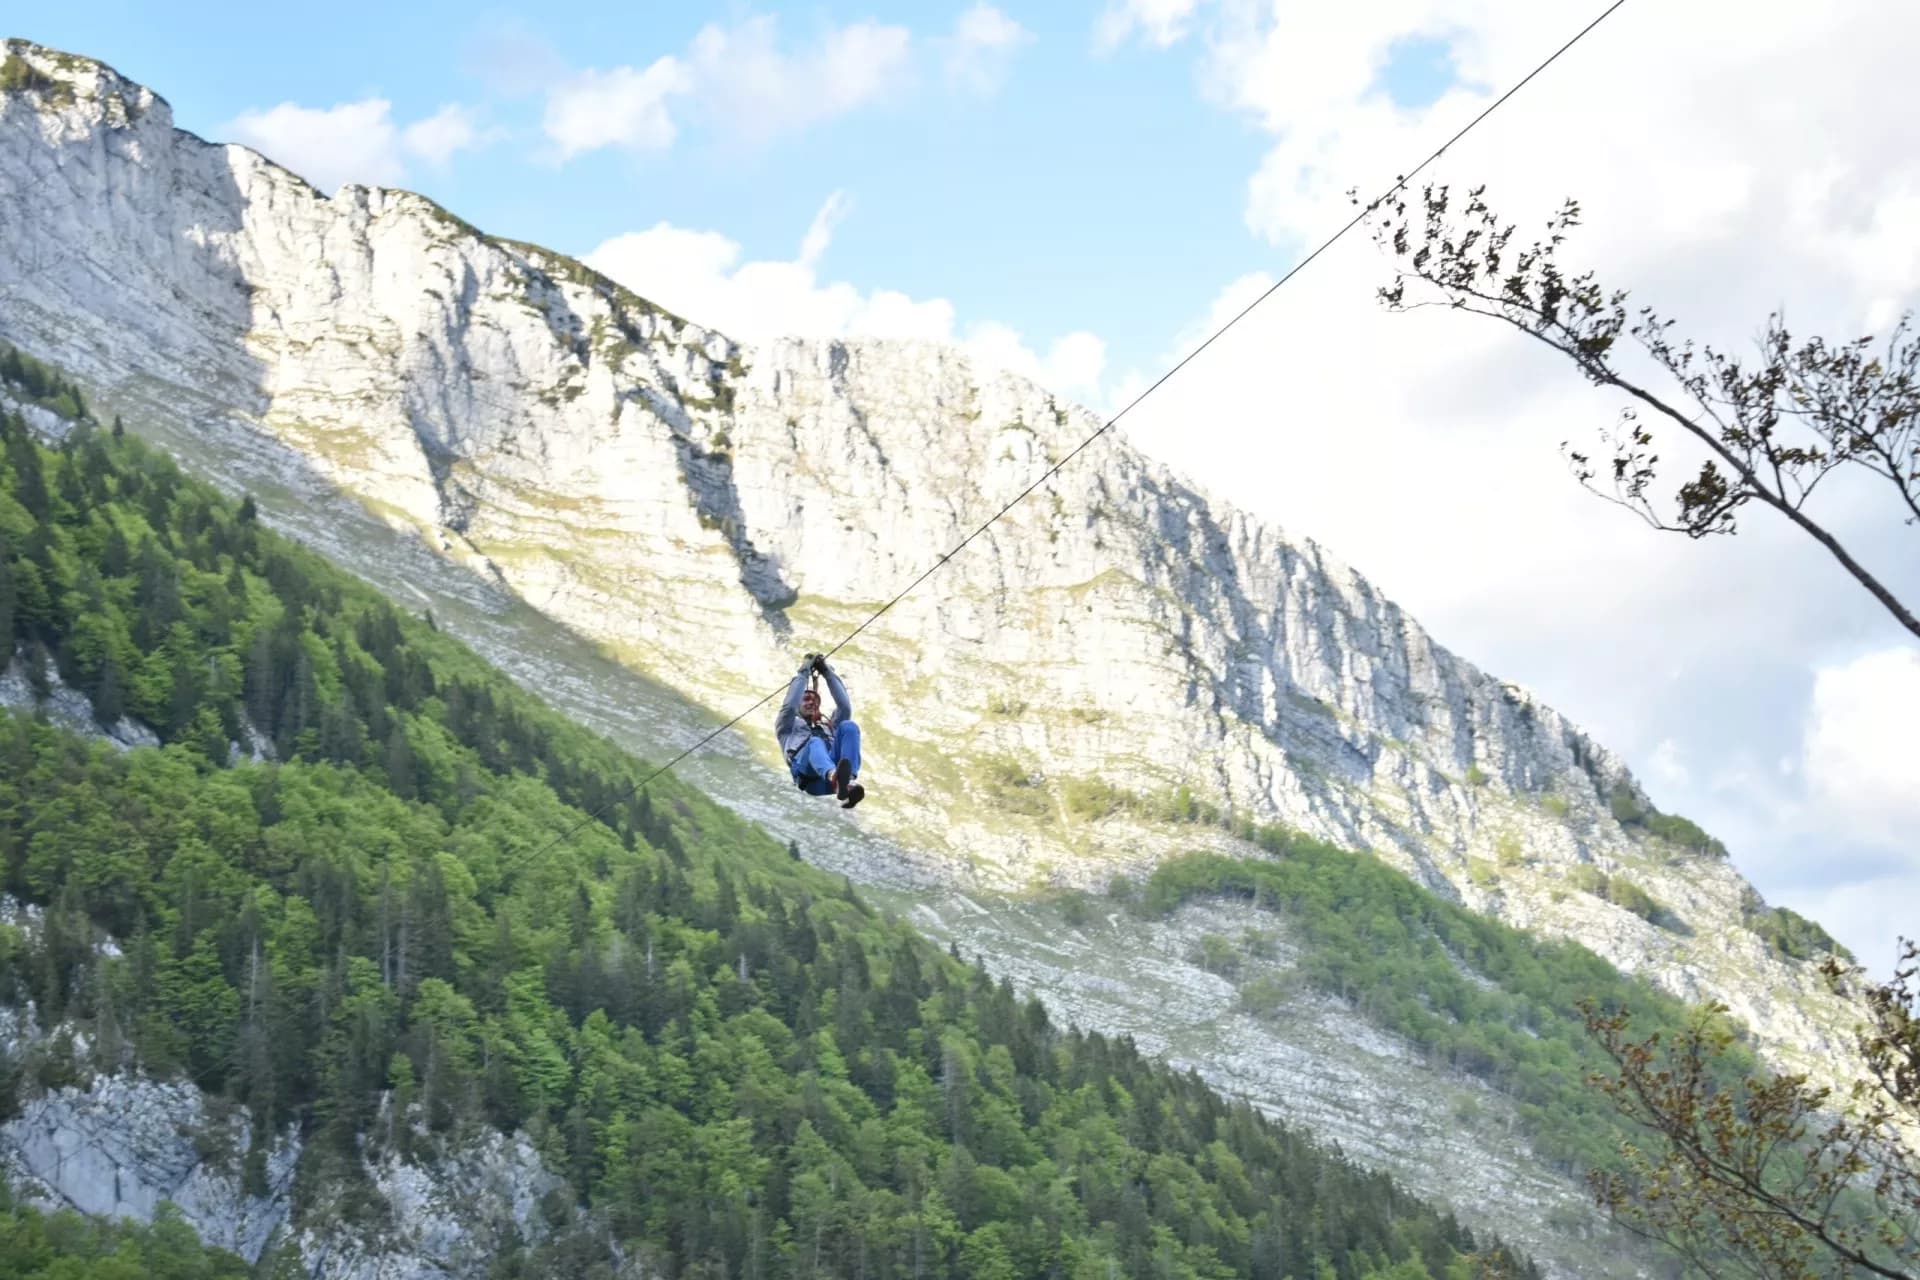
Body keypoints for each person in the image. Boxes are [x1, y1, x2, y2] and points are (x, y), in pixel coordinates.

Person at [776, 653, 864, 808]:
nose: (811, 702)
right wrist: (803, 673)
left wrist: (826, 672)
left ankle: (847, 781)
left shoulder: (828, 727)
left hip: (830, 777)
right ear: (798, 705)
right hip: (810, 778)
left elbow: (844, 706)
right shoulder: (787, 727)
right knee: (815, 742)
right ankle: (835, 777)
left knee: (849, 726)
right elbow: (789, 706)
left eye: (815, 700)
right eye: (806, 699)